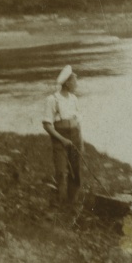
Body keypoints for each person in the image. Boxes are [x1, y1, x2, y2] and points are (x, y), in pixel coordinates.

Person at [43, 65, 83, 204]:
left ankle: (72, 201)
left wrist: (80, 141)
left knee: (75, 170)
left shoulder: (74, 99)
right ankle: (60, 201)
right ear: (67, 83)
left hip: (75, 136)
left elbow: (78, 122)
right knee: (61, 171)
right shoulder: (52, 99)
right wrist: (62, 139)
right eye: (75, 82)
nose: (76, 85)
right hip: (60, 138)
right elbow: (47, 125)